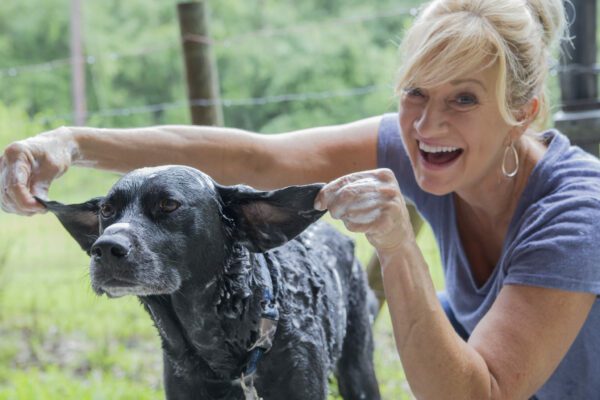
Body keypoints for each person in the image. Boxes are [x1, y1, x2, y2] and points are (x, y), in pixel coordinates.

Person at [2, 0, 600, 398]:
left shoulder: (577, 213)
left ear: (524, 114)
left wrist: (397, 247)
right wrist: (70, 142)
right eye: (415, 92)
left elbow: (481, 394)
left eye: (464, 99)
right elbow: (257, 159)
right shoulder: (421, 144)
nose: (428, 125)